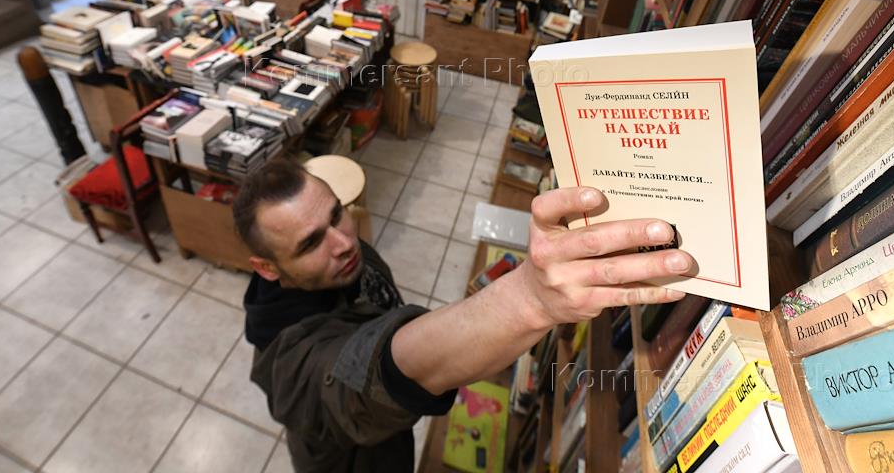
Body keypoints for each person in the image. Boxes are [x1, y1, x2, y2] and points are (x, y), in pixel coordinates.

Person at [235, 159, 695, 473]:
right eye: (311, 243)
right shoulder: (289, 362)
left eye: (337, 215)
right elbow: (377, 367)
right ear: (267, 268)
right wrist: (531, 300)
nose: (343, 242)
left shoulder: (340, 259)